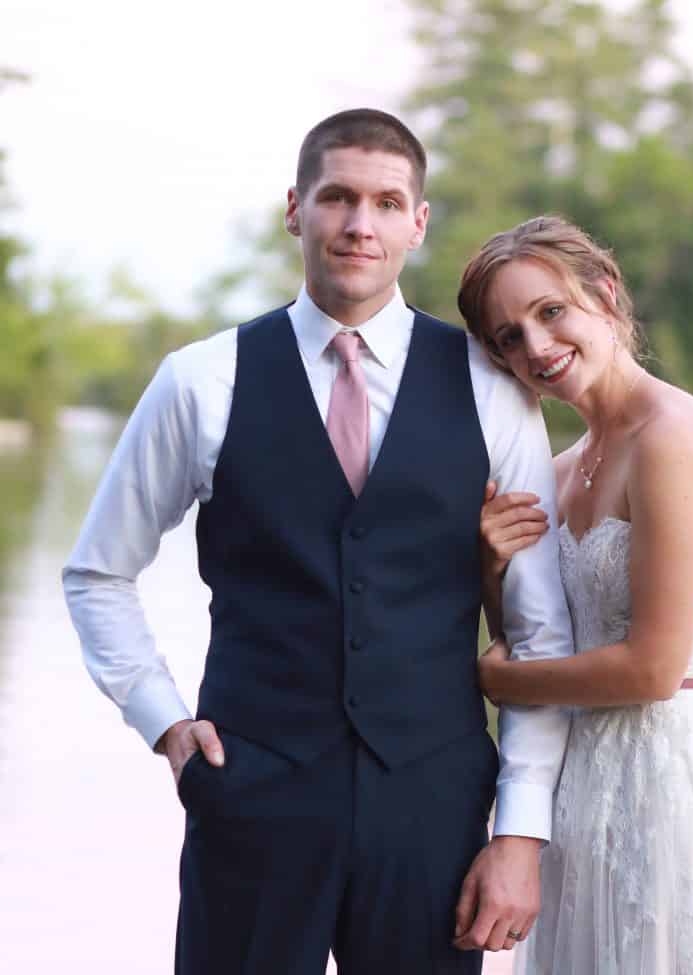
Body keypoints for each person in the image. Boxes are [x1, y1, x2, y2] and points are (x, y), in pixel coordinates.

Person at [62, 110, 575, 974]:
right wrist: (165, 723)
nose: (358, 224)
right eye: (337, 198)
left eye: (385, 202)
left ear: (417, 221)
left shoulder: (494, 391)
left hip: (433, 804)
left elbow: (539, 630)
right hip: (250, 794)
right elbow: (98, 574)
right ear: (296, 209)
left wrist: (521, 830)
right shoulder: (201, 380)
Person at [459, 216, 693, 974]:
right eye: (508, 337)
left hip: (676, 781)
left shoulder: (674, 437)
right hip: (581, 785)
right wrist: (489, 563)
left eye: (550, 311)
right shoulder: (556, 472)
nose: (536, 348)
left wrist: (493, 680)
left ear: (605, 293)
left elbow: (654, 669)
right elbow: (535, 631)